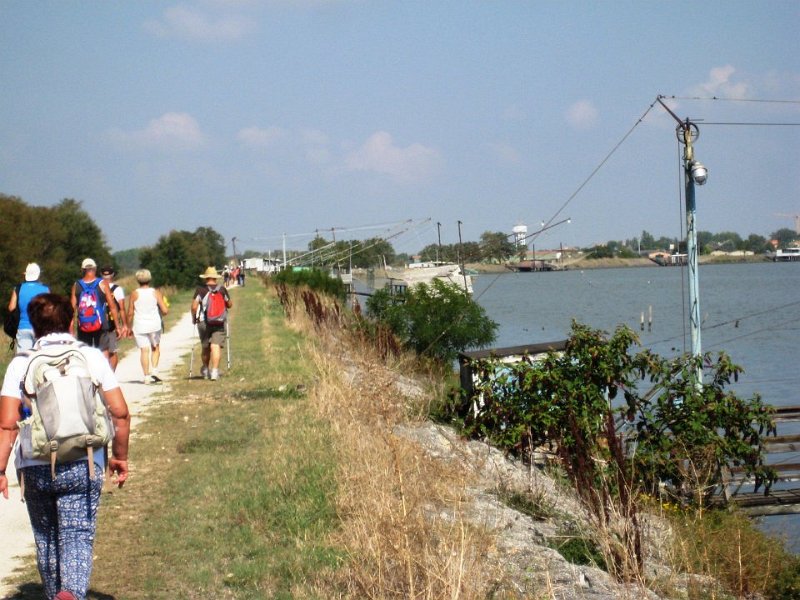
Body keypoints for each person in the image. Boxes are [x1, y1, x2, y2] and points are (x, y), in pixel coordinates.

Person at [0, 293, 130, 600]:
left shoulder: (21, 364)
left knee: (46, 538)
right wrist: (120, 457)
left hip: (35, 465)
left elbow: (7, 424)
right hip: (83, 461)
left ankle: (56, 594)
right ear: (71, 322)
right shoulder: (92, 357)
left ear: (32, 327)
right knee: (76, 535)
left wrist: (1, 469)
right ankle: (71, 593)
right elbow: (120, 413)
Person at [70, 258, 127, 357]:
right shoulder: (103, 283)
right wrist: (118, 327)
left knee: (85, 351)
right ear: (95, 269)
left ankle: (89, 371)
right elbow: (112, 306)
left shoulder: (76, 285)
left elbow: (71, 310)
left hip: (83, 325)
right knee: (103, 350)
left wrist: (71, 329)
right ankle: (102, 371)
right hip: (101, 324)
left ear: (82, 270)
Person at [126, 269, 169, 385]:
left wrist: (128, 327)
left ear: (138, 280)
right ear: (149, 279)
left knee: (144, 351)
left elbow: (130, 312)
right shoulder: (155, 292)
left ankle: (146, 377)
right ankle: (154, 370)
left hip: (139, 326)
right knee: (155, 348)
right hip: (154, 325)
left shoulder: (134, 294)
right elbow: (165, 310)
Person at [191, 267, 232, 381]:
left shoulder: (200, 290)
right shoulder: (222, 289)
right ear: (215, 278)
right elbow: (229, 304)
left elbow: (194, 307)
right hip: (219, 321)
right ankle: (214, 372)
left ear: (206, 278)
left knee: (206, 347)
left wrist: (194, 318)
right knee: (215, 346)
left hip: (204, 322)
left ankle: (205, 369)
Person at [7, 263, 50, 350]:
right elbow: (49, 310)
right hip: (40, 328)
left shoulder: (18, 288)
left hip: (23, 327)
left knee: (24, 359)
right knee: (39, 359)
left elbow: (11, 307)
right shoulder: (45, 289)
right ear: (38, 275)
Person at [100, 266, 128, 371]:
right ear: (113, 275)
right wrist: (123, 325)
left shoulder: (96, 288)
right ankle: (111, 377)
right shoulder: (117, 289)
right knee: (112, 352)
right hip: (111, 325)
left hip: (97, 325)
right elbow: (121, 308)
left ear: (101, 275)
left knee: (101, 352)